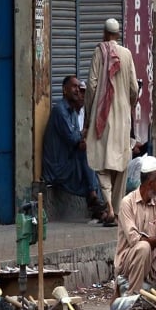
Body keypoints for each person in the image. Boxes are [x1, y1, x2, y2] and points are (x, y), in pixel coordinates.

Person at [85, 18, 139, 226]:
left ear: (103, 33)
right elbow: (134, 88)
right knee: (120, 165)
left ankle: (109, 206)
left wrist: (90, 113)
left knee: (100, 163)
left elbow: (91, 86)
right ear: (117, 34)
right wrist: (128, 105)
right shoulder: (127, 55)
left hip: (102, 116)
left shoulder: (99, 52)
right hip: (123, 119)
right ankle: (114, 211)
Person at [114, 156, 156, 296]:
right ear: (150, 183)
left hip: (150, 261)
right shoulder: (127, 203)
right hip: (128, 263)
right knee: (143, 246)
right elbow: (135, 240)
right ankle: (133, 294)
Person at [42, 75, 104, 218]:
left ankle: (97, 205)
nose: (77, 90)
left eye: (78, 87)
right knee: (86, 154)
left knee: (95, 168)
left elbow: (78, 139)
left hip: (69, 163)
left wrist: (83, 138)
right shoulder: (60, 111)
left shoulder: (73, 113)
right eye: (74, 87)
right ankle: (94, 200)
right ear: (64, 90)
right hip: (57, 169)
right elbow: (74, 138)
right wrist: (84, 135)